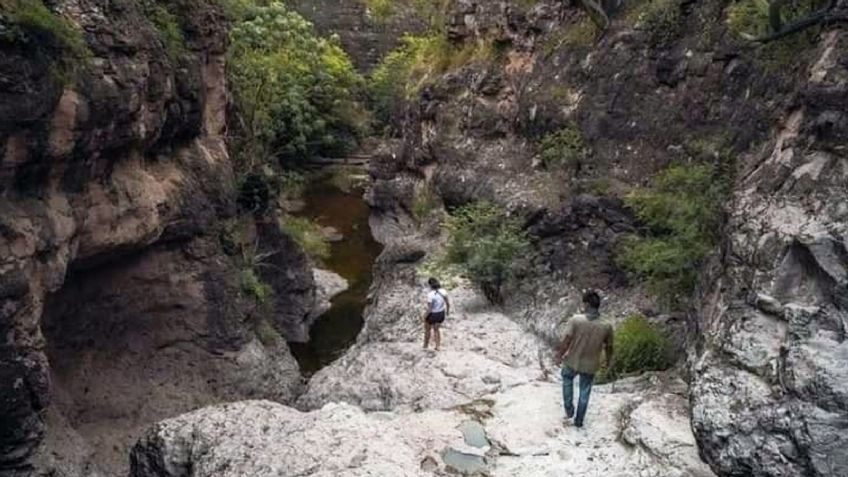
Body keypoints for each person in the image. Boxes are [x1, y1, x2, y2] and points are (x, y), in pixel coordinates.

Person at [554, 290, 614, 428]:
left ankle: (569, 410)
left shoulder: (576, 320)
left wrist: (559, 355)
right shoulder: (606, 326)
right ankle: (579, 421)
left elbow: (567, 340)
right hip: (591, 364)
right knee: (585, 391)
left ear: (586, 304)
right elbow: (609, 347)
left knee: (567, 380)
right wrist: (609, 361)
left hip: (572, 360)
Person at [422, 277, 449, 351]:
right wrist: (447, 312)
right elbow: (447, 303)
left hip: (433, 314)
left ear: (430, 285)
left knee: (427, 329)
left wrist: (424, 316)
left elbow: (430, 308)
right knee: (436, 330)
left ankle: (425, 345)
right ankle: (438, 346)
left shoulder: (430, 294)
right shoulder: (443, 291)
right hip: (441, 314)